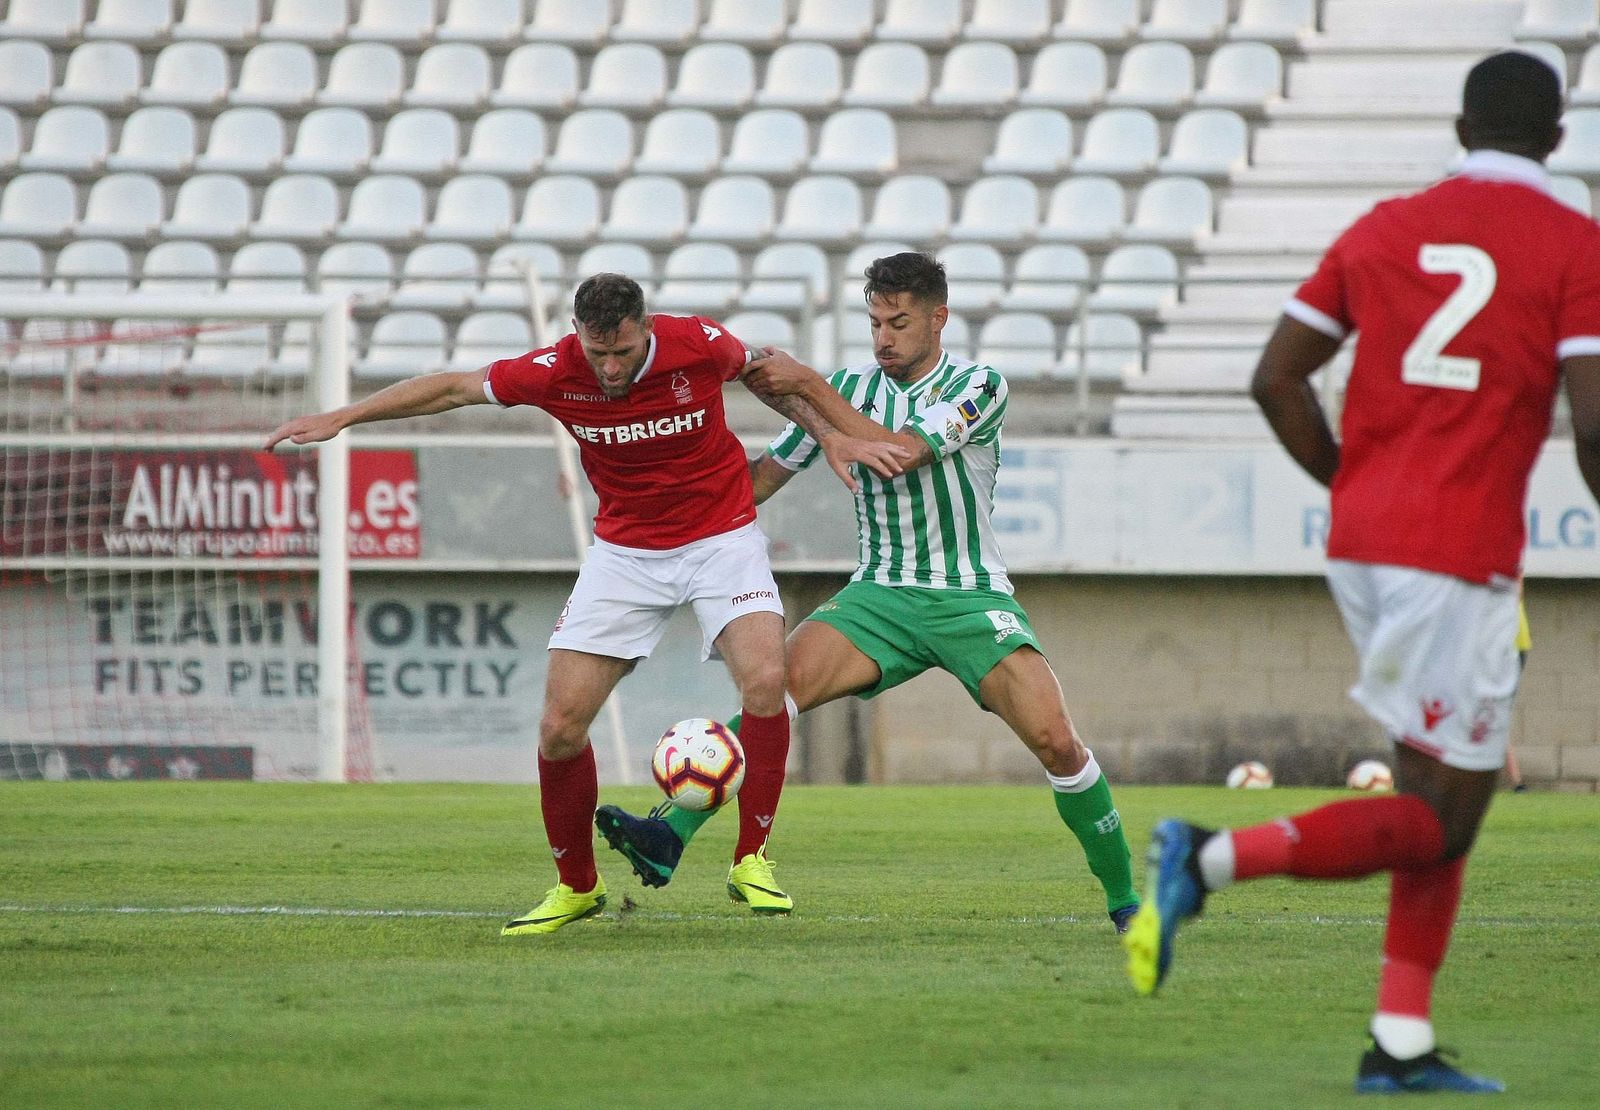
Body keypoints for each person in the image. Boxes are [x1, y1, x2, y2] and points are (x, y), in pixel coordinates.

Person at [1122, 51, 1600, 1094]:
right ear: (1557, 140)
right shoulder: (1573, 242)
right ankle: (1201, 859)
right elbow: (1596, 421)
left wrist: (1354, 485)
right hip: (1456, 552)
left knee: (1434, 785)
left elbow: (1274, 378)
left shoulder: (1383, 225)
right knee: (1442, 816)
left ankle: (1399, 1042)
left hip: (1364, 544)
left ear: (1463, 125)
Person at [265, 273, 906, 934]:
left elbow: (778, 377)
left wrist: (829, 434)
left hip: (722, 537)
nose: (608, 367)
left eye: (622, 353)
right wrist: (345, 415)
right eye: (596, 353)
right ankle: (576, 886)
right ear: (578, 335)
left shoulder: (699, 343)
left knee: (767, 681)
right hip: (625, 553)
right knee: (560, 727)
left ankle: (751, 860)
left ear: (645, 330)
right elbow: (453, 386)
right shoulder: (552, 371)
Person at [594, 252, 1141, 932]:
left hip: (968, 596)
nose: (883, 337)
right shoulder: (853, 383)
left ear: (937, 318)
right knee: (773, 690)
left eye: (899, 322)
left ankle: (1126, 900)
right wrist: (668, 478)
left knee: (1059, 744)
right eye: (875, 321)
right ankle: (668, 835)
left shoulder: (978, 385)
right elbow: (762, 480)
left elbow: (904, 451)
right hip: (878, 596)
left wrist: (813, 387)